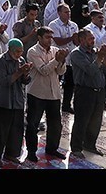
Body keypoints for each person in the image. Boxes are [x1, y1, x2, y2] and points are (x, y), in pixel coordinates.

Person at [24, 26, 68, 162]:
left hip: (53, 93)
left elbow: (61, 72)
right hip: (37, 93)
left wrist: (61, 61)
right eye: (47, 37)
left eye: (51, 37)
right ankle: (31, 151)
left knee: (55, 124)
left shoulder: (55, 51)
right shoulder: (32, 52)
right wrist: (56, 60)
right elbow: (43, 70)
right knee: (33, 124)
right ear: (39, 38)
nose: (50, 40)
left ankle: (52, 149)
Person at [0, 38, 32, 166]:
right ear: (10, 50)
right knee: (0, 131)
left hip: (17, 100)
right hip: (3, 101)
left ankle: (11, 153)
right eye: (17, 51)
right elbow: (5, 81)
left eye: (21, 52)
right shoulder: (0, 61)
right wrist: (20, 72)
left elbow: (25, 81)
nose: (19, 54)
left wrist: (26, 74)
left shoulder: (21, 60)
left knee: (16, 131)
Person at [69, 28, 106, 157]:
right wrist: (99, 58)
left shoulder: (95, 52)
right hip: (85, 91)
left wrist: (105, 56)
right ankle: (76, 148)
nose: (93, 41)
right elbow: (90, 70)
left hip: (99, 92)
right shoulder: (76, 54)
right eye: (90, 39)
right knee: (82, 120)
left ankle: (90, 144)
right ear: (82, 40)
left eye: (93, 38)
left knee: (96, 120)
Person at [50, 2, 79, 114]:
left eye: (69, 12)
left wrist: (75, 39)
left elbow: (76, 42)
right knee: (56, 81)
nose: (68, 14)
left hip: (70, 58)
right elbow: (58, 41)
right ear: (59, 13)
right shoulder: (54, 25)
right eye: (66, 12)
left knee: (70, 83)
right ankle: (54, 103)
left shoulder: (74, 25)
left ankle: (66, 104)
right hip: (59, 57)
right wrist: (71, 37)